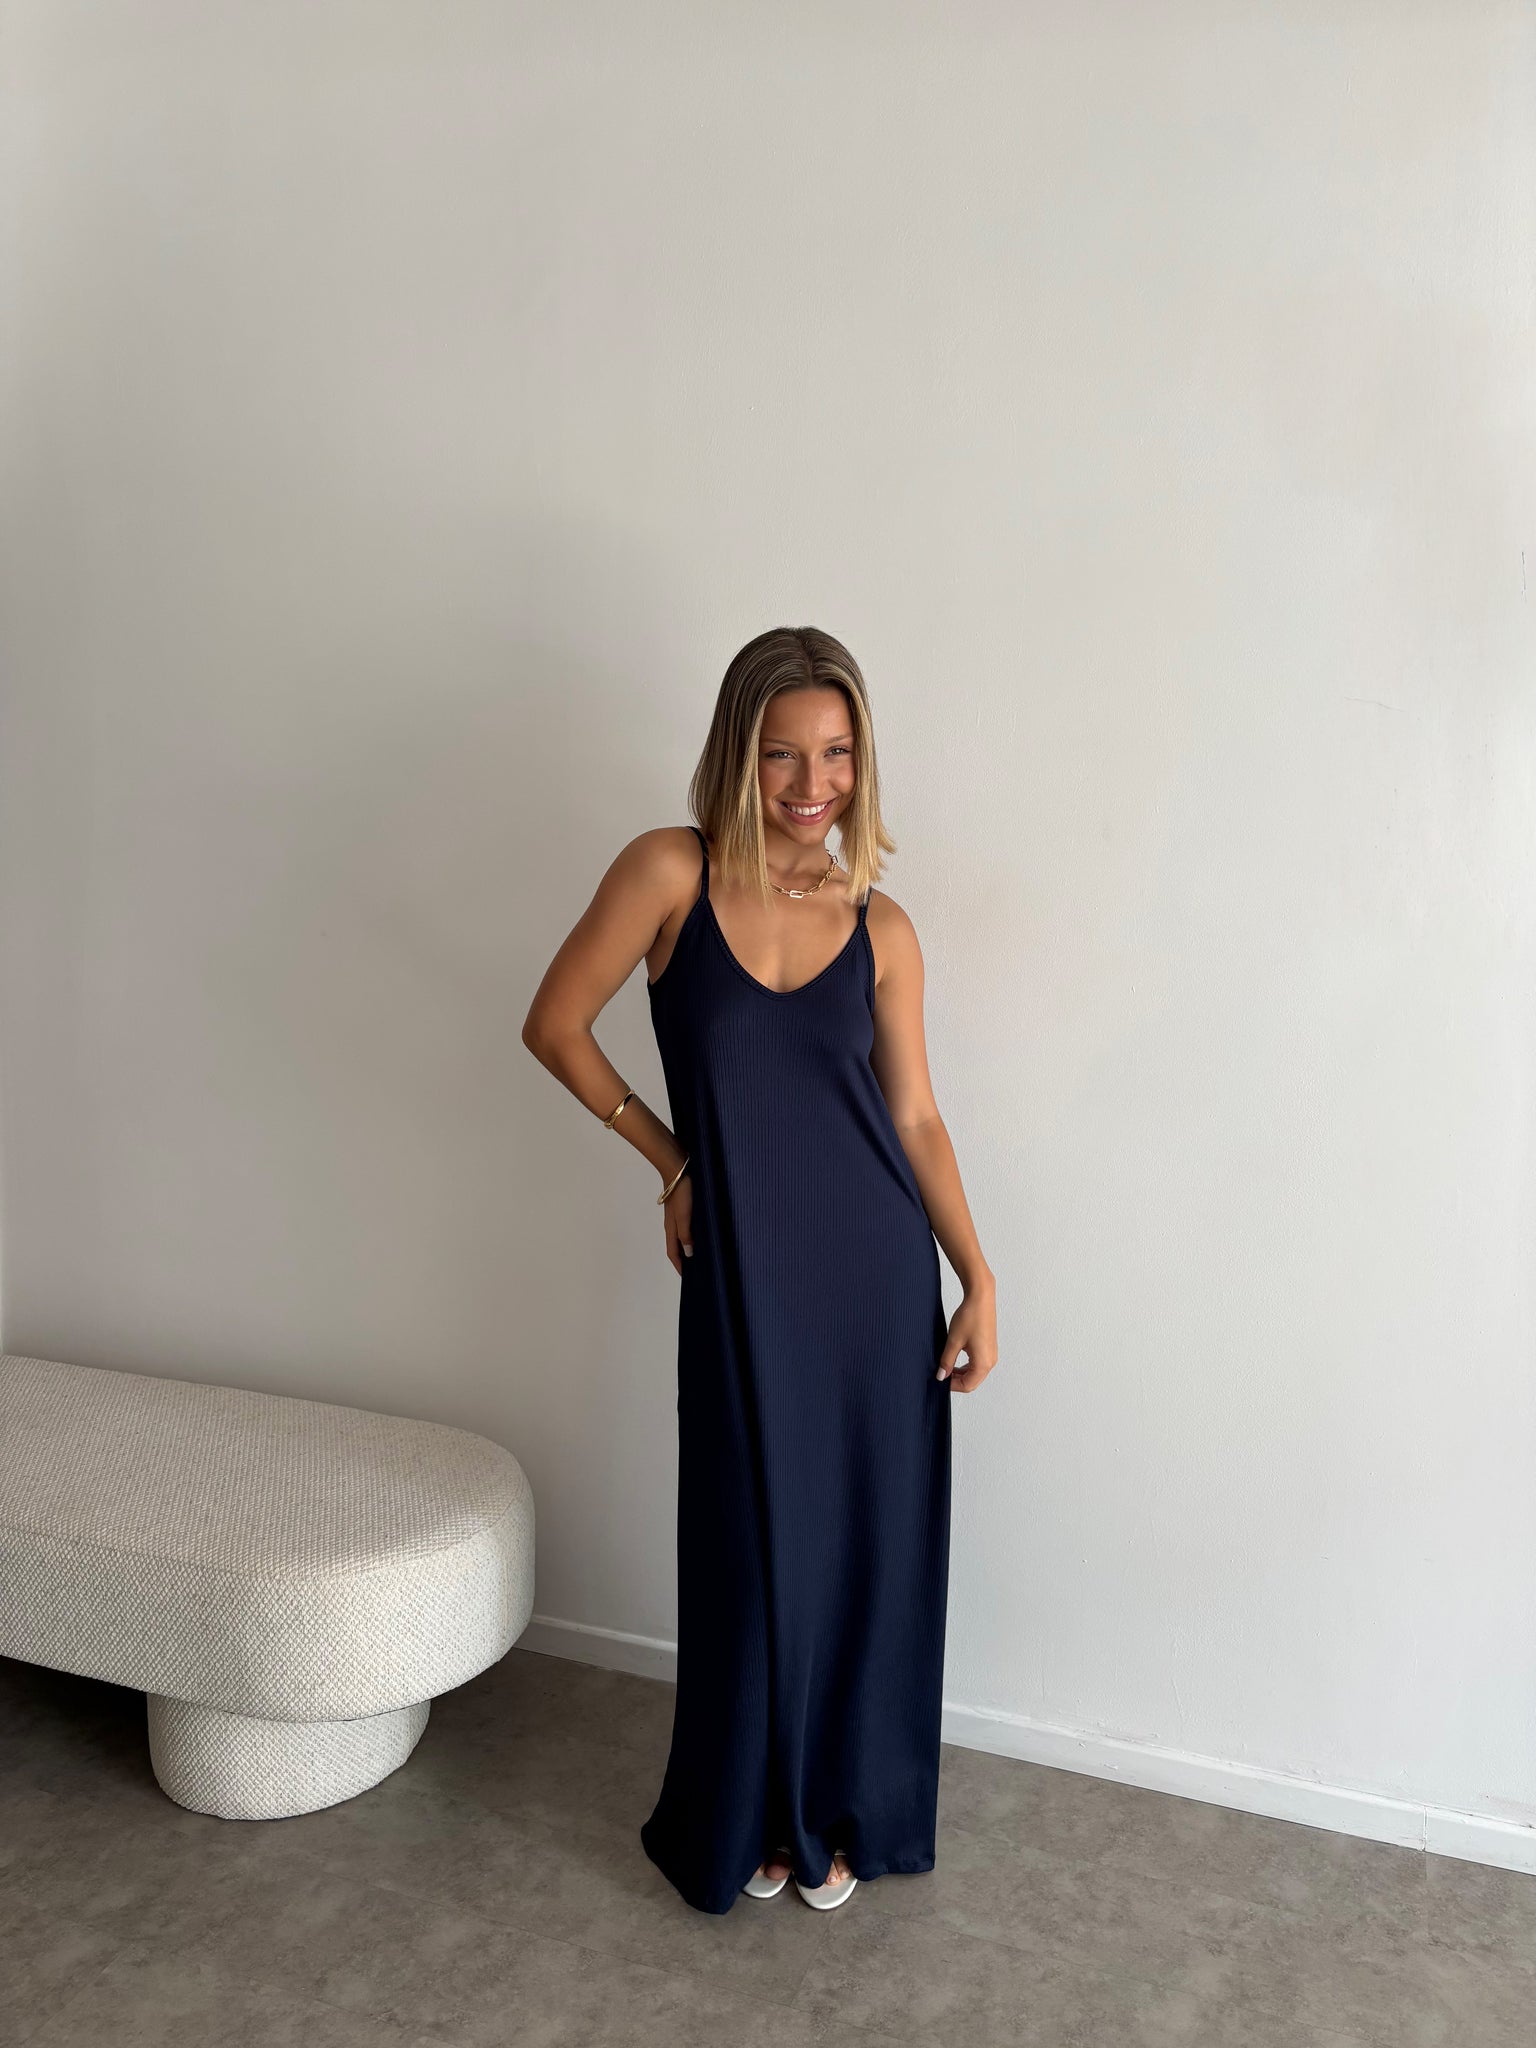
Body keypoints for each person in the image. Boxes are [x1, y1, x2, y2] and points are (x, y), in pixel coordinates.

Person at [521, 625, 997, 1914]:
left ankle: (834, 1806)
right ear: (739, 750)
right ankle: (753, 1806)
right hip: (743, 1268)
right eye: (784, 753)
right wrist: (672, 1162)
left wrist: (976, 1275)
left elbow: (916, 1120)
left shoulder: (881, 926)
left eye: (836, 754)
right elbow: (555, 1025)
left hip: (877, 1273)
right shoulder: (668, 872)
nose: (811, 783)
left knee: (864, 1547)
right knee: (750, 1539)